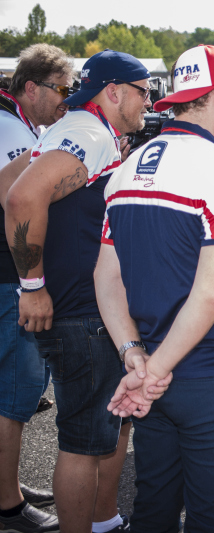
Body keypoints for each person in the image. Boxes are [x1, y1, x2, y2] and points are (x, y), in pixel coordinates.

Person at [97, 44, 214, 532]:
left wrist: (135, 357)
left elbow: (106, 277)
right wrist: (153, 373)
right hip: (211, 376)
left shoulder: (125, 168)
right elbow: (212, 292)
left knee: (154, 508)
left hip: (151, 368)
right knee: (213, 518)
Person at [2, 49, 152, 533]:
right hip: (81, 312)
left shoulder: (77, 128)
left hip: (82, 307)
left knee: (100, 434)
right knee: (85, 443)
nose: (148, 102)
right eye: (143, 92)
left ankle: (104, 520)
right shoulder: (88, 131)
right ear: (113, 91)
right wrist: (32, 286)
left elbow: (11, 179)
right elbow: (21, 195)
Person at [0, 42, 71, 533]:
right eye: (60, 89)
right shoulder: (8, 126)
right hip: (10, 280)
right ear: (31, 87)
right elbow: (19, 199)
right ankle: (7, 503)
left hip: (9, 279)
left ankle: (9, 485)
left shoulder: (17, 123)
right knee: (14, 395)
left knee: (15, 394)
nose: (66, 99)